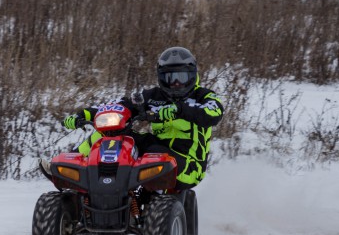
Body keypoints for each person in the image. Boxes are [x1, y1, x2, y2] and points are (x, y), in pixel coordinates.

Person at [61, 46, 224, 190]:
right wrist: (85, 114)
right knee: (110, 136)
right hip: (157, 149)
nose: (175, 83)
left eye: (180, 78)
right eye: (169, 78)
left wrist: (178, 110)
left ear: (192, 75)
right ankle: (75, 166)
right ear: (161, 78)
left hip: (189, 166)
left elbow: (214, 113)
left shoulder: (204, 96)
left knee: (154, 153)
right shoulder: (153, 96)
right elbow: (120, 105)